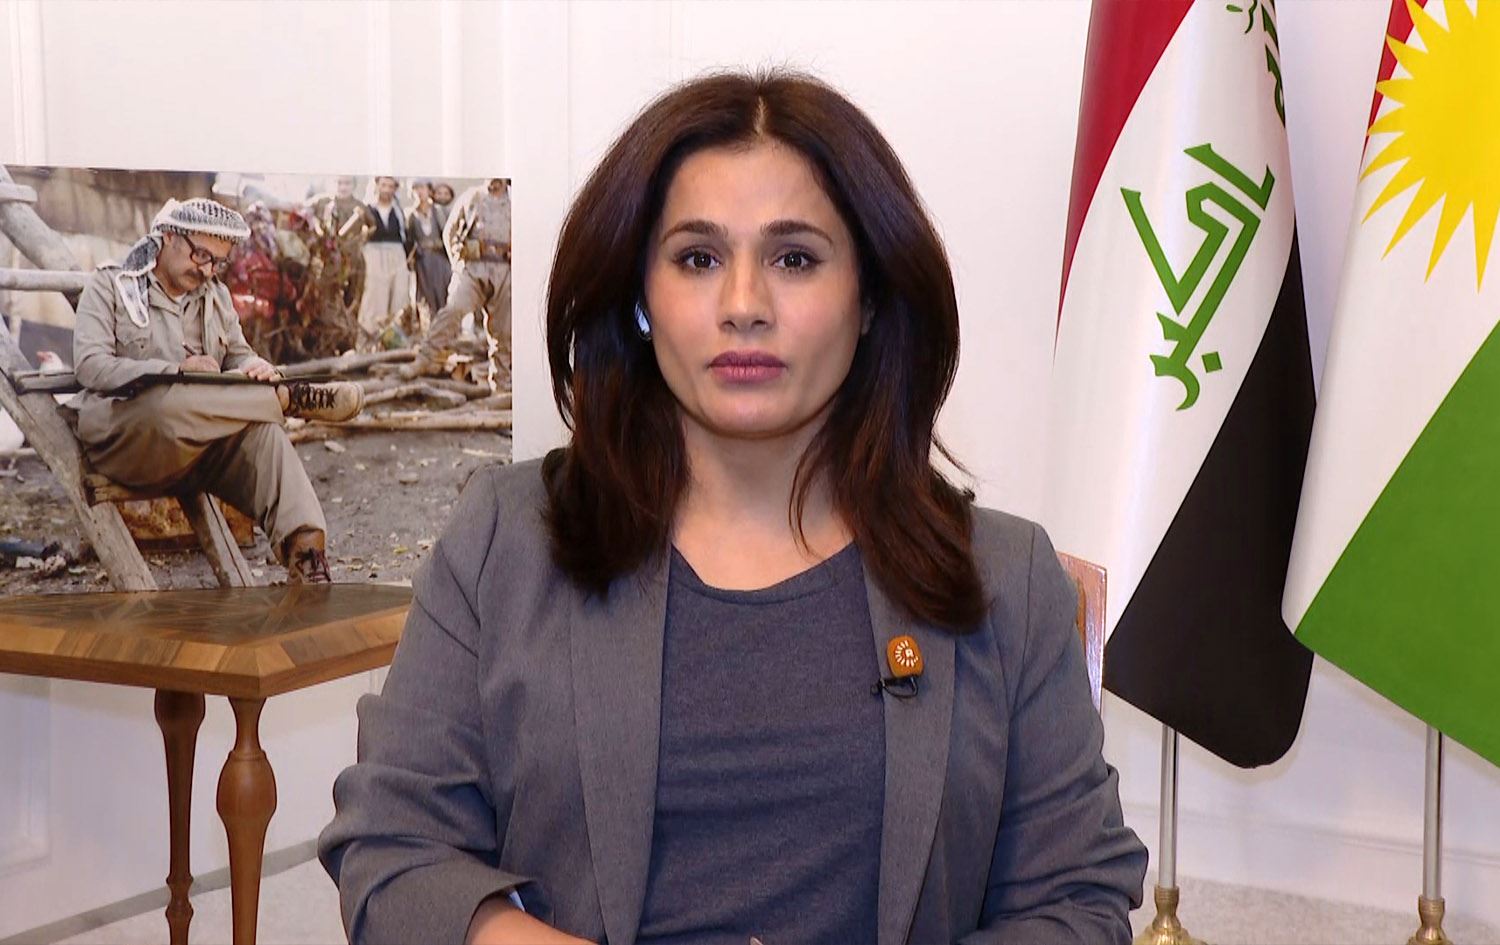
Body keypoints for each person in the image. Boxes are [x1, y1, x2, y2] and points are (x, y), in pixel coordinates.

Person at [320, 71, 1146, 944]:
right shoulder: (506, 539)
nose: (744, 306)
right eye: (698, 258)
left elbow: (1078, 902)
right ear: (640, 298)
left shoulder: (1006, 580)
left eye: (795, 259)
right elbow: (393, 851)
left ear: (869, 296)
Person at [70, 198, 366, 584]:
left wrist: (257, 368)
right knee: (165, 404)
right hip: (131, 441)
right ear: (169, 237)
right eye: (201, 255)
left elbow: (238, 355)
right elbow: (90, 366)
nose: (208, 269)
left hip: (199, 448)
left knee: (266, 435)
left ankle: (306, 557)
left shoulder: (215, 295)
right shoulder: (112, 285)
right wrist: (175, 370)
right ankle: (284, 398)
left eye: (218, 262)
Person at [402, 178, 510, 385]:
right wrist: (457, 263)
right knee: (453, 310)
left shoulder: (515, 200)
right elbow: (450, 232)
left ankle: (501, 381)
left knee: (504, 331)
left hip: (505, 270)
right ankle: (425, 358)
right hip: (472, 268)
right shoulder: (472, 197)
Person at [356, 175, 410, 352]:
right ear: (376, 186)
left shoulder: (398, 211)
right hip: (373, 253)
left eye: (390, 186)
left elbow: (405, 237)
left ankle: (394, 345)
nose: (386, 190)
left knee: (399, 297)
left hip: (397, 254)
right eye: (383, 185)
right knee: (375, 298)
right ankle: (369, 344)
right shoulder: (367, 209)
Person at [406, 179, 452, 321]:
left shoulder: (438, 211)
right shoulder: (410, 215)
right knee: (426, 298)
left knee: (444, 295)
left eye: (422, 188)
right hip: (422, 262)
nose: (420, 192)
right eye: (416, 189)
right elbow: (409, 240)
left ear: (429, 191)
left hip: (439, 259)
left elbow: (447, 235)